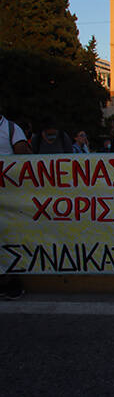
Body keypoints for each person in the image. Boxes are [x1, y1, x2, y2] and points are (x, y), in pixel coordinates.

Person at [0, 113, 30, 300]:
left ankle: (11, 281)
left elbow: (24, 161)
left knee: (8, 237)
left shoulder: (12, 130)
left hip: (8, 197)